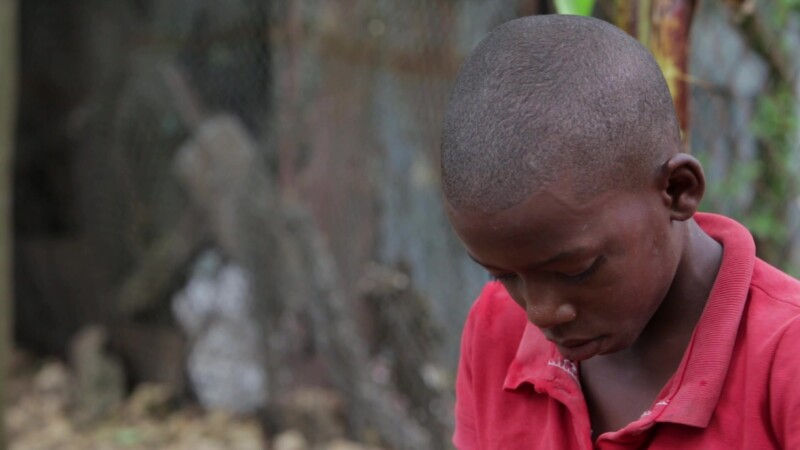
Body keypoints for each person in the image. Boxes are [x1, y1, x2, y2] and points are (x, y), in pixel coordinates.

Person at [440, 14, 800, 449]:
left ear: (677, 190)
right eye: (504, 275)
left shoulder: (786, 361)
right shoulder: (497, 326)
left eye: (577, 270)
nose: (540, 314)